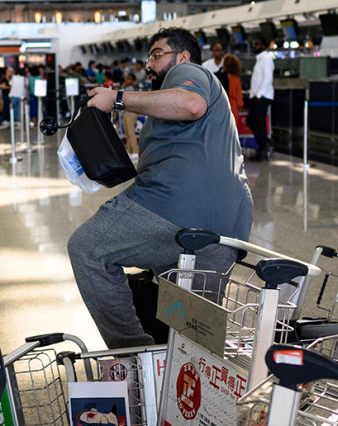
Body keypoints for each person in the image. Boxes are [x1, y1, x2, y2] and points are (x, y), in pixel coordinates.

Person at [68, 27, 253, 349]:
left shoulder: (187, 71)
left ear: (181, 56)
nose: (149, 65)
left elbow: (191, 104)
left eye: (156, 54)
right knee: (193, 335)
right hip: (229, 221)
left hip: (176, 200)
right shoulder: (169, 99)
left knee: (88, 250)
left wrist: (118, 99)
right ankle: (183, 381)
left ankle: (133, 352)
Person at [247, 37, 274, 161]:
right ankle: (264, 144)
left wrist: (259, 95)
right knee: (252, 121)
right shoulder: (260, 60)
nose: (254, 46)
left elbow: (268, 78)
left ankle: (264, 147)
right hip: (257, 96)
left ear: (263, 46)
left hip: (262, 96)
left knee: (258, 122)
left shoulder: (267, 59)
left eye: (257, 43)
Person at [222, 54, 244, 124]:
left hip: (223, 105)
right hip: (233, 106)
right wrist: (240, 105)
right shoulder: (236, 79)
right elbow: (239, 95)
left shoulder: (222, 78)